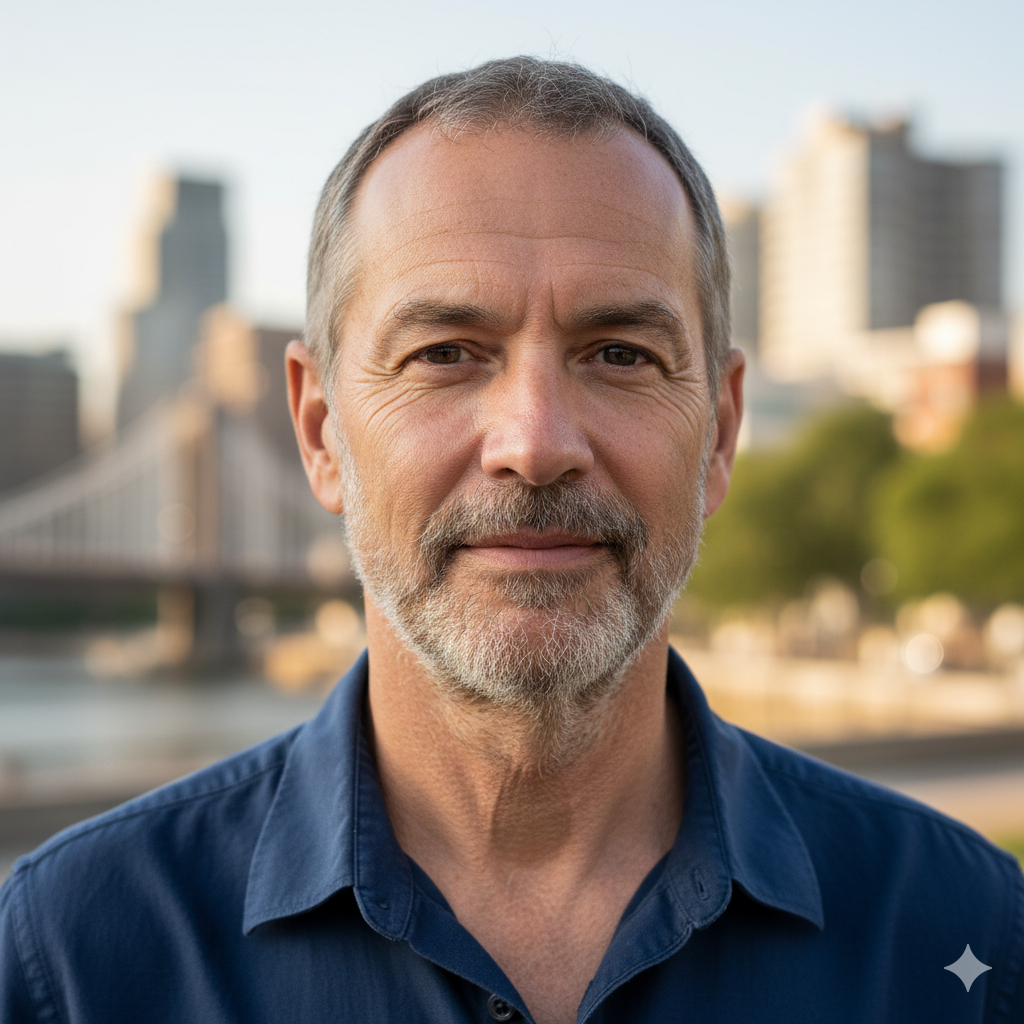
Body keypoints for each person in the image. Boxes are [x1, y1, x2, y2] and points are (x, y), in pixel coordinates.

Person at [1, 57, 1022, 1024]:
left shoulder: (963, 932)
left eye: (620, 353)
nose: (535, 444)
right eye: (444, 353)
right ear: (319, 432)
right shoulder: (74, 958)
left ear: (720, 431)